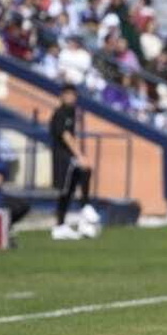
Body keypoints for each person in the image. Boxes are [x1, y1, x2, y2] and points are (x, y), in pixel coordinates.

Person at [49, 83, 95, 241]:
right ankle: (84, 207)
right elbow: (65, 136)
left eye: (73, 94)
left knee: (73, 186)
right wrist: (79, 155)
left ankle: (78, 216)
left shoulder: (72, 112)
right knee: (69, 187)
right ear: (62, 95)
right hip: (63, 158)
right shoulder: (61, 113)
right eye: (68, 94)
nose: (71, 97)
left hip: (69, 156)